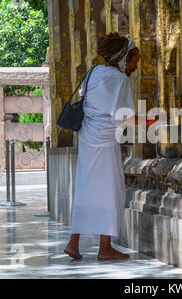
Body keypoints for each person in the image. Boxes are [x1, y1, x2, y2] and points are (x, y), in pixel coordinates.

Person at [64, 32, 140, 260]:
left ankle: (73, 243)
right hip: (106, 142)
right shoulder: (120, 80)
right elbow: (124, 118)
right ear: (123, 57)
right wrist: (155, 120)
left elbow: (84, 97)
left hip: (87, 138)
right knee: (111, 192)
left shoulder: (94, 71)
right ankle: (105, 248)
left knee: (85, 189)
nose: (135, 65)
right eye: (134, 59)